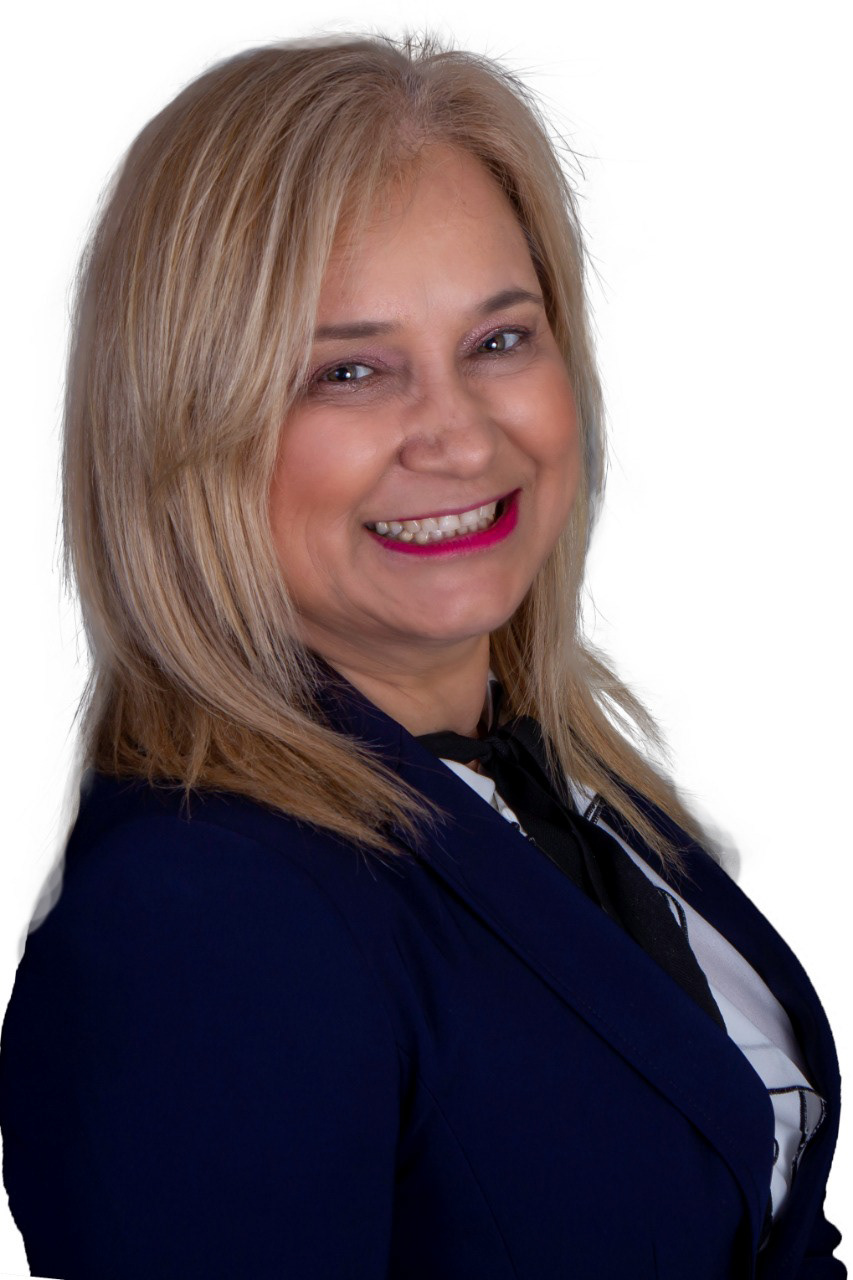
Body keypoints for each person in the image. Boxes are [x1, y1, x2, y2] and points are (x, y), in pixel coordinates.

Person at [0, 32, 844, 1280]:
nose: (458, 434)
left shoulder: (567, 789)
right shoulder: (193, 923)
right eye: (348, 371)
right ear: (187, 428)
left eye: (498, 341)